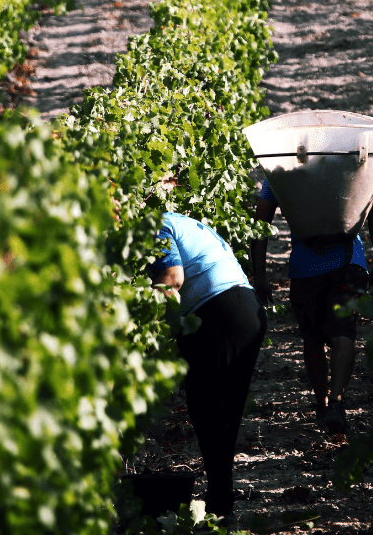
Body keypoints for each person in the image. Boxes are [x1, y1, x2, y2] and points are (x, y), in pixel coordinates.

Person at [149, 211, 266, 518]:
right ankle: (220, 502)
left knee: (209, 410)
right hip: (245, 309)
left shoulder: (156, 225)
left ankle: (219, 504)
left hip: (219, 311)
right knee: (220, 413)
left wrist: (146, 326)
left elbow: (172, 278)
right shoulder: (174, 220)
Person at [250, 180, 373, 435]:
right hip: (349, 262)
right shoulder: (353, 159)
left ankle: (322, 404)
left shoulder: (284, 164)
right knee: (343, 332)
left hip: (305, 266)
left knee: (311, 338)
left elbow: (261, 219)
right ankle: (337, 401)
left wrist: (260, 274)